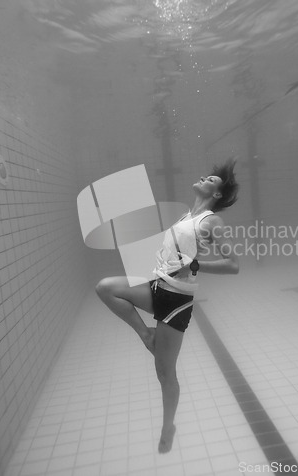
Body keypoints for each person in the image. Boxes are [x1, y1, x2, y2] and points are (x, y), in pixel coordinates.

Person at [95, 158, 240, 453]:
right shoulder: (187, 216)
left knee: (164, 374)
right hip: (156, 286)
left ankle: (167, 427)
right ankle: (146, 335)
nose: (204, 177)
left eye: (211, 180)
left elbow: (233, 265)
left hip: (176, 300)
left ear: (216, 195)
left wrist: (197, 263)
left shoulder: (211, 221)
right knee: (106, 288)